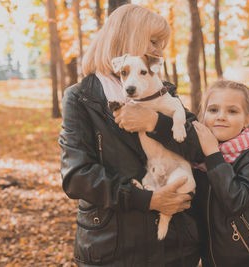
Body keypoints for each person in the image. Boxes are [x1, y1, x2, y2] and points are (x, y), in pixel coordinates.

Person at [58, 4, 200, 267]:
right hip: (114, 249)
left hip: (174, 247)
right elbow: (77, 177)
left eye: (162, 44)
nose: (159, 50)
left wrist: (156, 122)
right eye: (154, 41)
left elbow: (200, 147)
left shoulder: (162, 91)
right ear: (127, 37)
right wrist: (148, 200)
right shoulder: (81, 98)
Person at [191, 80, 249, 267]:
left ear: (247, 119)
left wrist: (214, 155)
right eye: (213, 110)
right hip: (212, 261)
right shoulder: (195, 158)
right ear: (203, 115)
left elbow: (236, 201)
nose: (221, 117)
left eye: (232, 111)